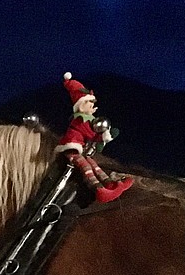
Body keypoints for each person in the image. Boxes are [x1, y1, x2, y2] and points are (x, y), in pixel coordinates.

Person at [54, 72, 134, 204]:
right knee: (86, 166)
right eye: (89, 102)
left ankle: (109, 184)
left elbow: (92, 135)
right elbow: (90, 134)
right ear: (81, 104)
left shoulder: (88, 119)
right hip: (71, 149)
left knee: (93, 164)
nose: (92, 105)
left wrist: (102, 136)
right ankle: (99, 189)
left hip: (80, 149)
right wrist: (103, 136)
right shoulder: (80, 120)